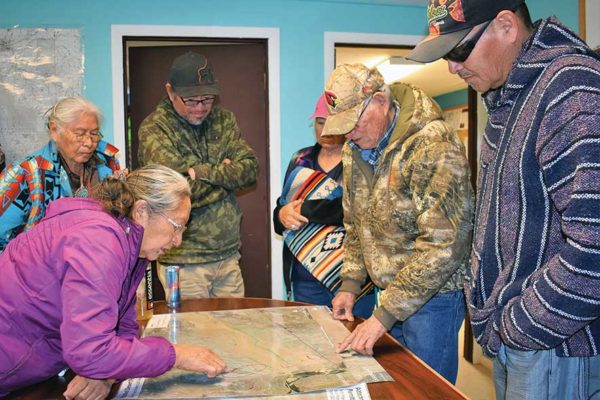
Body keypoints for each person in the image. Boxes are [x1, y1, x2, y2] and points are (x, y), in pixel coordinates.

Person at [408, 0, 600, 398]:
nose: (452, 67)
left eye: (459, 49)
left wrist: (519, 326)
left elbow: (594, 244)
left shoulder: (569, 87)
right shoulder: (508, 99)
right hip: (521, 338)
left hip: (557, 345)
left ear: (507, 26)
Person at [0, 165, 227, 399]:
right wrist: (176, 355)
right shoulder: (99, 240)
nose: (178, 241)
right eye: (177, 226)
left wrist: (107, 374)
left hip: (26, 368)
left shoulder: (130, 242)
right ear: (141, 211)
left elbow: (122, 327)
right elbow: (91, 351)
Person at [323, 64, 474, 384]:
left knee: (426, 389)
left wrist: (383, 316)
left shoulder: (433, 143)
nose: (349, 134)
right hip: (387, 292)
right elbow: (354, 224)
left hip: (434, 299)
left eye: (355, 122)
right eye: (343, 126)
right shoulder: (355, 149)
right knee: (394, 386)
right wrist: (350, 285)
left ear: (380, 100)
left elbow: (445, 244)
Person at [138, 51, 258, 299]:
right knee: (193, 335)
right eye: (191, 100)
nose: (201, 108)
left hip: (228, 254)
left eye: (208, 99)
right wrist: (226, 176)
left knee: (233, 334)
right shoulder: (155, 128)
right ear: (171, 92)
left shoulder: (224, 119)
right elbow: (177, 195)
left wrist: (200, 172)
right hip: (183, 259)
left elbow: (250, 170)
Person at [273, 95, 374, 317]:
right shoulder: (300, 159)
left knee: (352, 341)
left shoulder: (361, 159)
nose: (325, 130)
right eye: (320, 123)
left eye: (332, 123)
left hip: (351, 278)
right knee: (310, 345)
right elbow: (282, 210)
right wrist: (281, 215)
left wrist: (304, 210)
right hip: (305, 277)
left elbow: (357, 211)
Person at [0, 96, 120, 252]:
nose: (89, 142)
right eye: (80, 133)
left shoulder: (107, 163)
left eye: (94, 134)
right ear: (54, 130)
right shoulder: (25, 174)